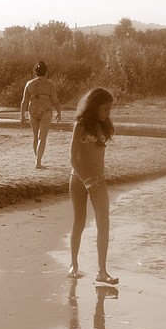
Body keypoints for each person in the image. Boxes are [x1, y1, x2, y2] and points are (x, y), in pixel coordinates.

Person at [68, 87, 118, 285]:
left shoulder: (104, 126)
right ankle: (73, 264)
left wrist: (95, 180)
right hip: (79, 179)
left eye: (110, 109)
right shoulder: (80, 126)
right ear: (94, 107)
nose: (108, 113)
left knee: (103, 223)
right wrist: (86, 179)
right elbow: (72, 158)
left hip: (99, 180)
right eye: (105, 109)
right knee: (79, 222)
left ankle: (102, 271)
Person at [20, 61, 62, 169]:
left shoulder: (29, 84)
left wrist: (22, 115)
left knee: (35, 137)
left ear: (35, 72)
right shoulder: (49, 85)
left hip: (32, 111)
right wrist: (59, 112)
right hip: (46, 111)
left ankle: (37, 159)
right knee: (42, 138)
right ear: (46, 72)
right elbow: (55, 101)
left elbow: (24, 101)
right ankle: (38, 162)